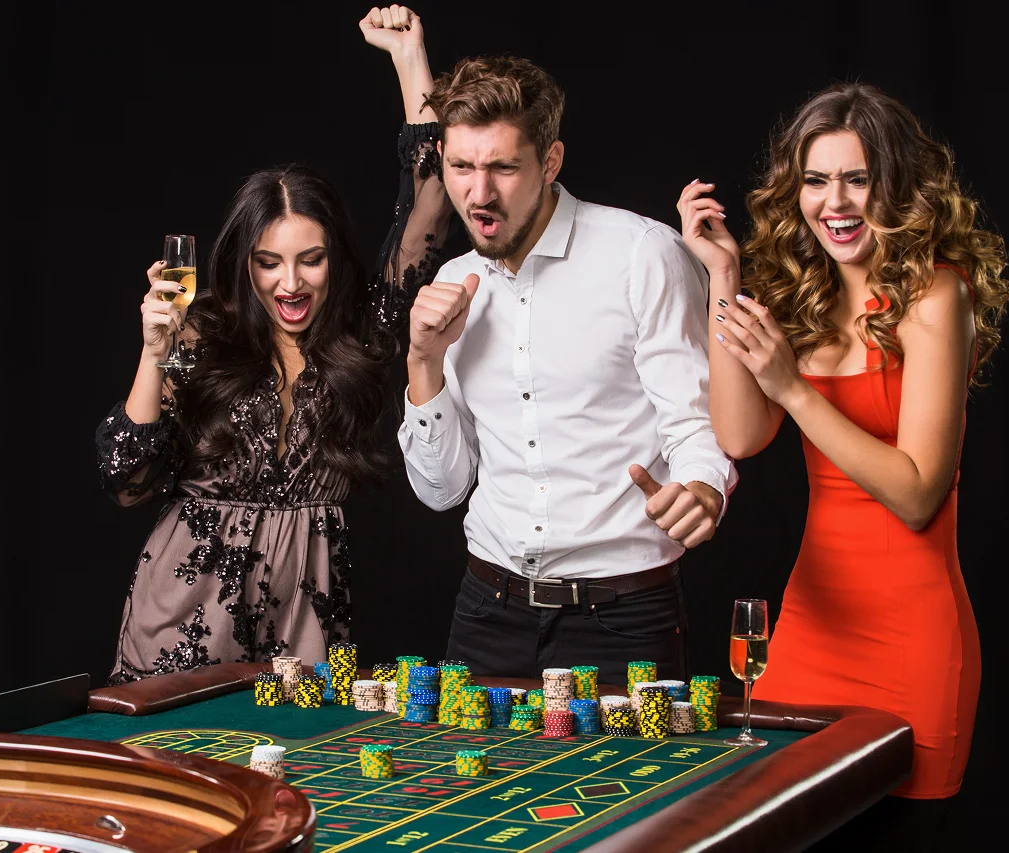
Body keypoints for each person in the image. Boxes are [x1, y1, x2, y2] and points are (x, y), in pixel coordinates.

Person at [676, 82, 1009, 831]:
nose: (836, 201)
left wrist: (794, 388)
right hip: (811, 633)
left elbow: (918, 492)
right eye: (817, 180)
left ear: (893, 184)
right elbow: (738, 437)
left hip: (914, 640)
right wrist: (722, 277)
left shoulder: (935, 297)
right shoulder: (803, 298)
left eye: (857, 178)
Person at [95, 6, 450, 683]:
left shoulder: (363, 333)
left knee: (302, 784)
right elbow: (127, 478)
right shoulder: (204, 331)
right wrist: (153, 348)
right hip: (181, 620)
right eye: (268, 262)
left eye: (310, 260)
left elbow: (431, 200)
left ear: (335, 260)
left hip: (305, 623)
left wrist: (410, 61)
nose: (289, 283)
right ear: (245, 261)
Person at [398, 54, 736, 688]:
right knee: (469, 791)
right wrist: (424, 362)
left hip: (624, 618)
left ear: (550, 162)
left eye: (503, 166)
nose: (478, 193)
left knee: (629, 795)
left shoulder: (642, 254)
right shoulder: (448, 286)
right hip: (487, 614)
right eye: (461, 167)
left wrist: (703, 488)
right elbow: (440, 490)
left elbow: (696, 425)